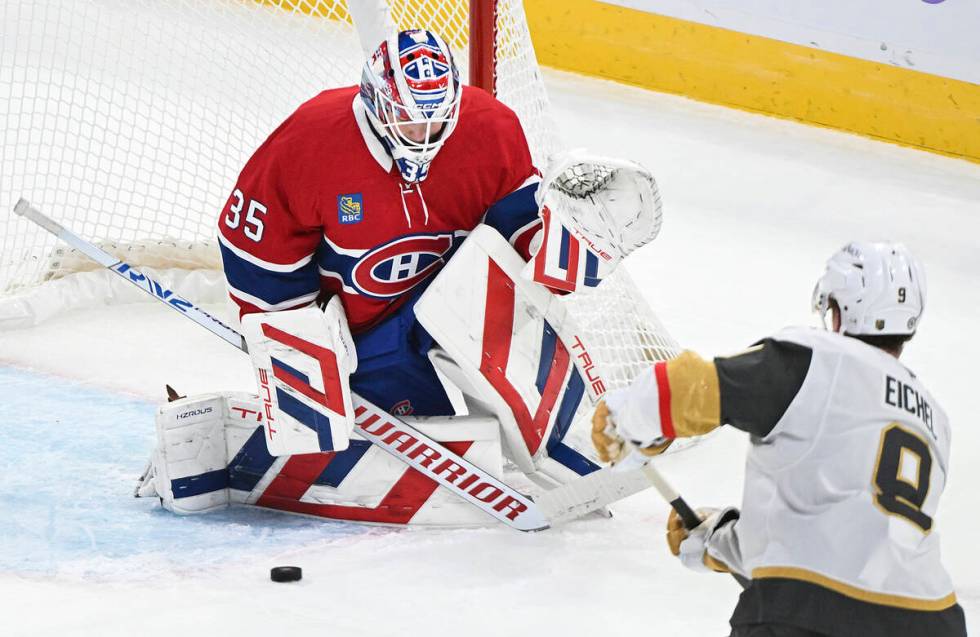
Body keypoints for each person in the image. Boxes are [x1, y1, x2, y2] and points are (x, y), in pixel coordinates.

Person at [592, 241, 967, 637]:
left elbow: (684, 389)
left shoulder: (818, 360)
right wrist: (718, 539)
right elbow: (852, 533)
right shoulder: (933, 419)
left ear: (838, 310)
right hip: (933, 619)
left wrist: (626, 424)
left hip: (806, 614)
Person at [216, 28, 543, 418]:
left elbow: (522, 229)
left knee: (529, 416)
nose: (423, 138)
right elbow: (255, 248)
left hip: (458, 310)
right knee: (428, 439)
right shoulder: (311, 141)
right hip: (364, 339)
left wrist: (557, 251)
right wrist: (298, 347)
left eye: (434, 121)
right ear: (376, 101)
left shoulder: (491, 128)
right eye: (407, 119)